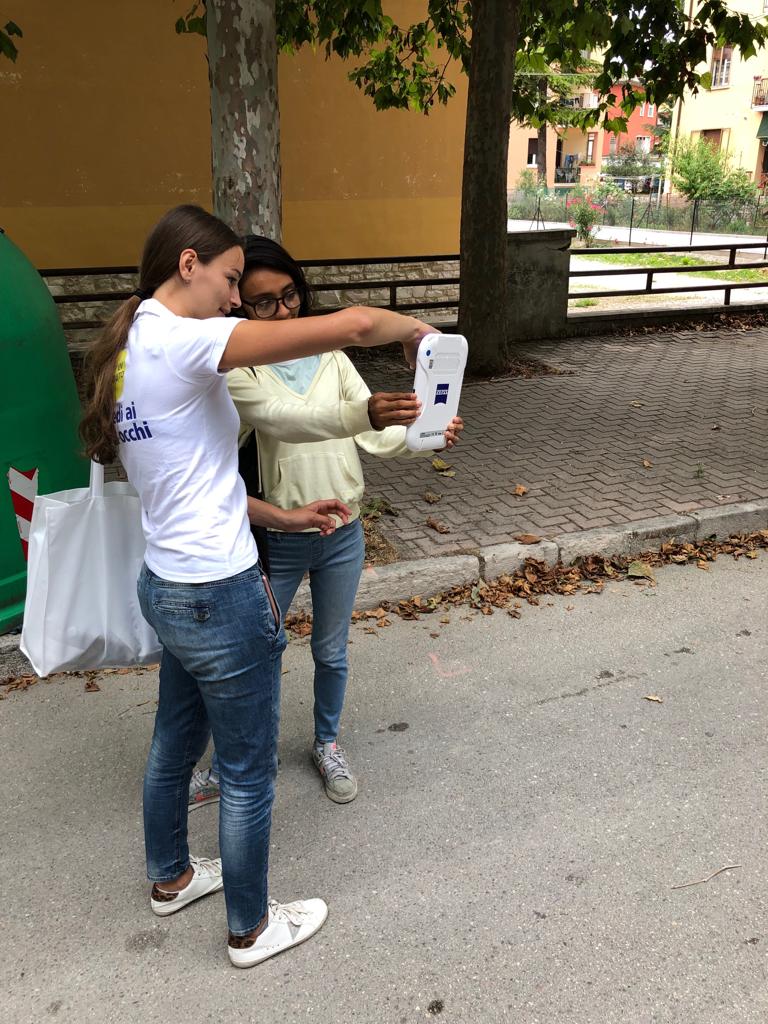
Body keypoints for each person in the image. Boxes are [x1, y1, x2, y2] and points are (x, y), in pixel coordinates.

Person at [79, 205, 435, 968]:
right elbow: (350, 326)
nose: (236, 298)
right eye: (232, 278)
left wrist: (283, 515)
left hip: (168, 584)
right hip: (219, 592)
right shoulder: (185, 339)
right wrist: (416, 333)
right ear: (188, 265)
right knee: (246, 772)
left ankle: (171, 877)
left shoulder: (131, 348)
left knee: (173, 747)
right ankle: (250, 928)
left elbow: (194, 484)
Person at [188, 235, 463, 810]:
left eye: (290, 295)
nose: (283, 311)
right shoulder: (238, 370)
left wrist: (424, 435)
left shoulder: (334, 359)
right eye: (264, 302)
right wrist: (362, 412)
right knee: (256, 655)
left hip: (343, 533)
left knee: (331, 651)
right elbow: (288, 421)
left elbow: (374, 436)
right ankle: (240, 759)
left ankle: (327, 743)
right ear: (241, 307)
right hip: (278, 536)